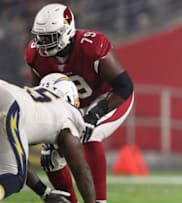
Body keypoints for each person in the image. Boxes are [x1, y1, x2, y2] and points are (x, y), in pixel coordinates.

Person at [24, 3, 134, 203]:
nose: (43, 42)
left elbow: (124, 86)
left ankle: (99, 201)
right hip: (70, 107)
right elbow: (39, 94)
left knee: (89, 135)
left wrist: (95, 114)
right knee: (50, 158)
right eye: (40, 36)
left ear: (66, 31)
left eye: (50, 36)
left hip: (109, 99)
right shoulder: (35, 55)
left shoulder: (91, 45)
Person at [0, 74, 96, 202]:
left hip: (5, 91)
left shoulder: (34, 101)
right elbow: (81, 170)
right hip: (9, 104)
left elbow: (20, 158)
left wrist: (44, 192)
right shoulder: (68, 112)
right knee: (14, 176)